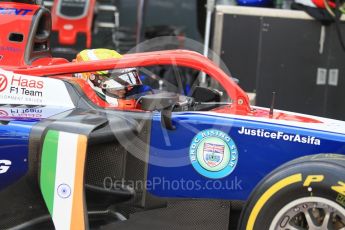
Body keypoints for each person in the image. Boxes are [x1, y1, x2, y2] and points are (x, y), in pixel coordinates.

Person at [75, 49, 151, 109]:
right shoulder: (77, 108)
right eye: (117, 85)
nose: (124, 91)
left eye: (124, 84)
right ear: (93, 81)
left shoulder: (138, 95)